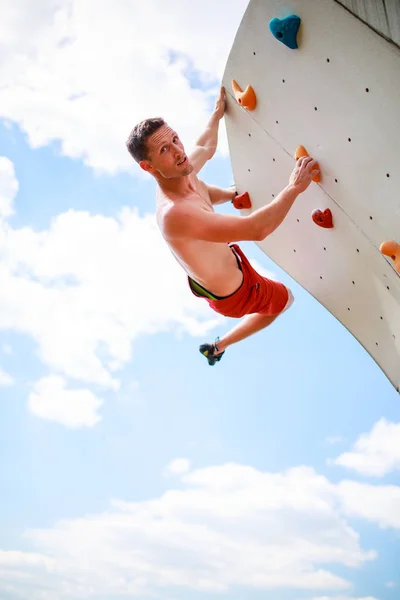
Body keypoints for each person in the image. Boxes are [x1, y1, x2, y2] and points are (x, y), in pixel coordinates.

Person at [126, 86, 319, 365]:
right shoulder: (174, 214)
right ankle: (218, 347)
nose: (179, 151)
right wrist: (294, 187)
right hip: (236, 294)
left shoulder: (181, 170)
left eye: (176, 140)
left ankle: (217, 343)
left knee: (200, 182)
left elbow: (206, 147)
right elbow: (257, 230)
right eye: (165, 149)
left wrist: (217, 114)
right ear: (148, 166)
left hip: (222, 265)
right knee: (285, 299)